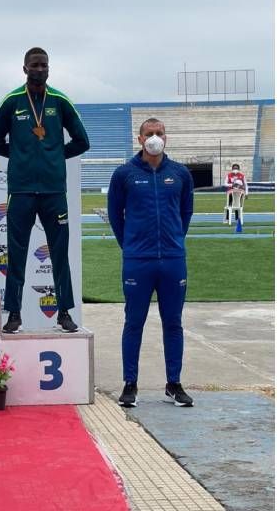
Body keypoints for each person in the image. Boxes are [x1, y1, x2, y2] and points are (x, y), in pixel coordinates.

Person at [0, 47, 89, 333]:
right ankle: (14, 314)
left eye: (44, 65)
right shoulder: (12, 101)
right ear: (24, 69)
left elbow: (82, 141)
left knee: (59, 252)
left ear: (49, 68)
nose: (40, 70)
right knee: (16, 253)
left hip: (53, 191)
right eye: (35, 65)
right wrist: (20, 155)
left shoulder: (60, 101)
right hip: (20, 190)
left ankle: (65, 312)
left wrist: (55, 156)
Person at [107, 118, 194, 407]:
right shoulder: (124, 174)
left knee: (173, 323)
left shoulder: (180, 173)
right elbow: (115, 216)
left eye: (159, 133)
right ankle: (130, 384)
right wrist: (131, 246)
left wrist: (172, 243)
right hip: (137, 261)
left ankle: (174, 383)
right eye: (149, 134)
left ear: (166, 138)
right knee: (134, 322)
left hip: (172, 260)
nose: (154, 138)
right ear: (139, 138)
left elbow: (185, 213)